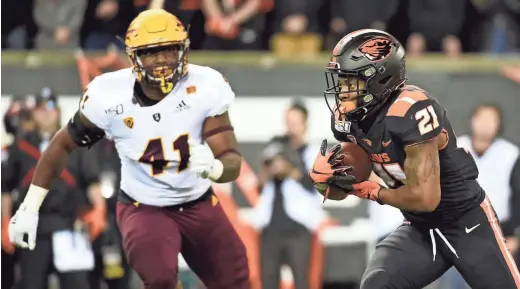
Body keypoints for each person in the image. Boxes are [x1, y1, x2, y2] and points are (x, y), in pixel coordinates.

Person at [8, 9, 249, 289]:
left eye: (169, 50)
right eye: (151, 52)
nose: (161, 60)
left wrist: (216, 168)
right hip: (144, 207)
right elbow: (62, 145)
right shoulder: (110, 96)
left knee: (236, 278)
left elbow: (231, 159)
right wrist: (30, 207)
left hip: (198, 202)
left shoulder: (204, 85)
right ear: (134, 57)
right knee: (159, 278)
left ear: (184, 50)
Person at [308, 29, 520, 289]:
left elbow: (427, 198)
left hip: (467, 222)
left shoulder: (411, 109)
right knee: (377, 283)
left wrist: (374, 192)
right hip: (420, 227)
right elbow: (349, 181)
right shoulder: (349, 119)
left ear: (380, 79)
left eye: (351, 81)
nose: (343, 91)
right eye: (341, 81)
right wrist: (331, 178)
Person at [3, 88, 91, 289]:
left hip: (68, 226)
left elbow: (90, 179)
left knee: (77, 284)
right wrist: (5, 222)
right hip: (33, 228)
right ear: (33, 112)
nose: (46, 112)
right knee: (31, 283)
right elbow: (6, 188)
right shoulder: (20, 146)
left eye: (50, 107)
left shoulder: (74, 142)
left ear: (58, 110)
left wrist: (98, 210)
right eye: (41, 108)